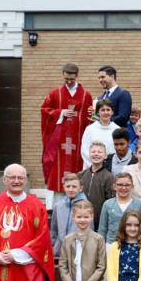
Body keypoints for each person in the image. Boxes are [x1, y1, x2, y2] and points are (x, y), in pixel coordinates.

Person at [41, 63, 93, 193]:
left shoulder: (86, 95)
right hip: (59, 140)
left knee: (78, 167)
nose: (69, 82)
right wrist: (60, 113)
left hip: (78, 138)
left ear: (77, 77)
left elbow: (90, 118)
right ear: (63, 76)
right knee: (58, 167)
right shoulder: (55, 93)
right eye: (66, 79)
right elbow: (44, 110)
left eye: (72, 79)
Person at [50, 173, 89, 281]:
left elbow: (90, 228)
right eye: (68, 186)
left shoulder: (85, 205)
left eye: (74, 186)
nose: (71, 189)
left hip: (80, 251)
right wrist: (53, 248)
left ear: (80, 187)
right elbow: (53, 229)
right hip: (62, 252)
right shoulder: (59, 205)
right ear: (63, 187)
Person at [98, 173, 141, 245]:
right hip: (111, 243)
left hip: (133, 244)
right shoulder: (107, 204)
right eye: (120, 185)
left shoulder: (139, 204)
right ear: (114, 186)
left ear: (132, 186)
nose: (123, 188)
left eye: (127, 185)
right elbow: (102, 229)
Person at [78, 142, 114, 230]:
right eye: (93, 152)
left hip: (98, 222)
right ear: (89, 154)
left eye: (100, 152)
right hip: (80, 220)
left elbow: (110, 201)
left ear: (105, 156)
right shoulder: (81, 175)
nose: (96, 154)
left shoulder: (109, 177)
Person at [81, 99, 119, 169]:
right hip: (92, 167)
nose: (105, 112)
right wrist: (96, 166)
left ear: (112, 112)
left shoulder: (117, 130)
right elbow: (85, 150)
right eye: (102, 110)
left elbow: (118, 151)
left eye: (108, 110)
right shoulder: (90, 129)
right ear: (98, 112)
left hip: (110, 168)